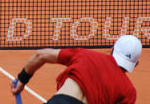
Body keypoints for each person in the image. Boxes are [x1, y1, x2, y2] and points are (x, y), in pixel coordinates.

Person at [11, 35, 142, 104]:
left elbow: (41, 55)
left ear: (113, 49)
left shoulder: (86, 55)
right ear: (135, 64)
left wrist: (22, 79)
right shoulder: (129, 92)